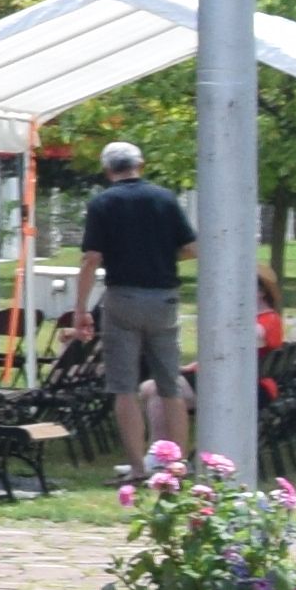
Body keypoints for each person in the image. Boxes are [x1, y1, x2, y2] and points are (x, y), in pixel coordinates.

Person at [81, 137, 198, 471]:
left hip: (123, 297)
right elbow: (192, 248)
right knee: (170, 386)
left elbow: (91, 258)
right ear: (140, 165)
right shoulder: (165, 198)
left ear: (107, 170)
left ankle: (137, 467)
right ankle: (177, 466)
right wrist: (162, 256)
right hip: (164, 299)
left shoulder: (102, 204)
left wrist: (80, 309)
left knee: (124, 387)